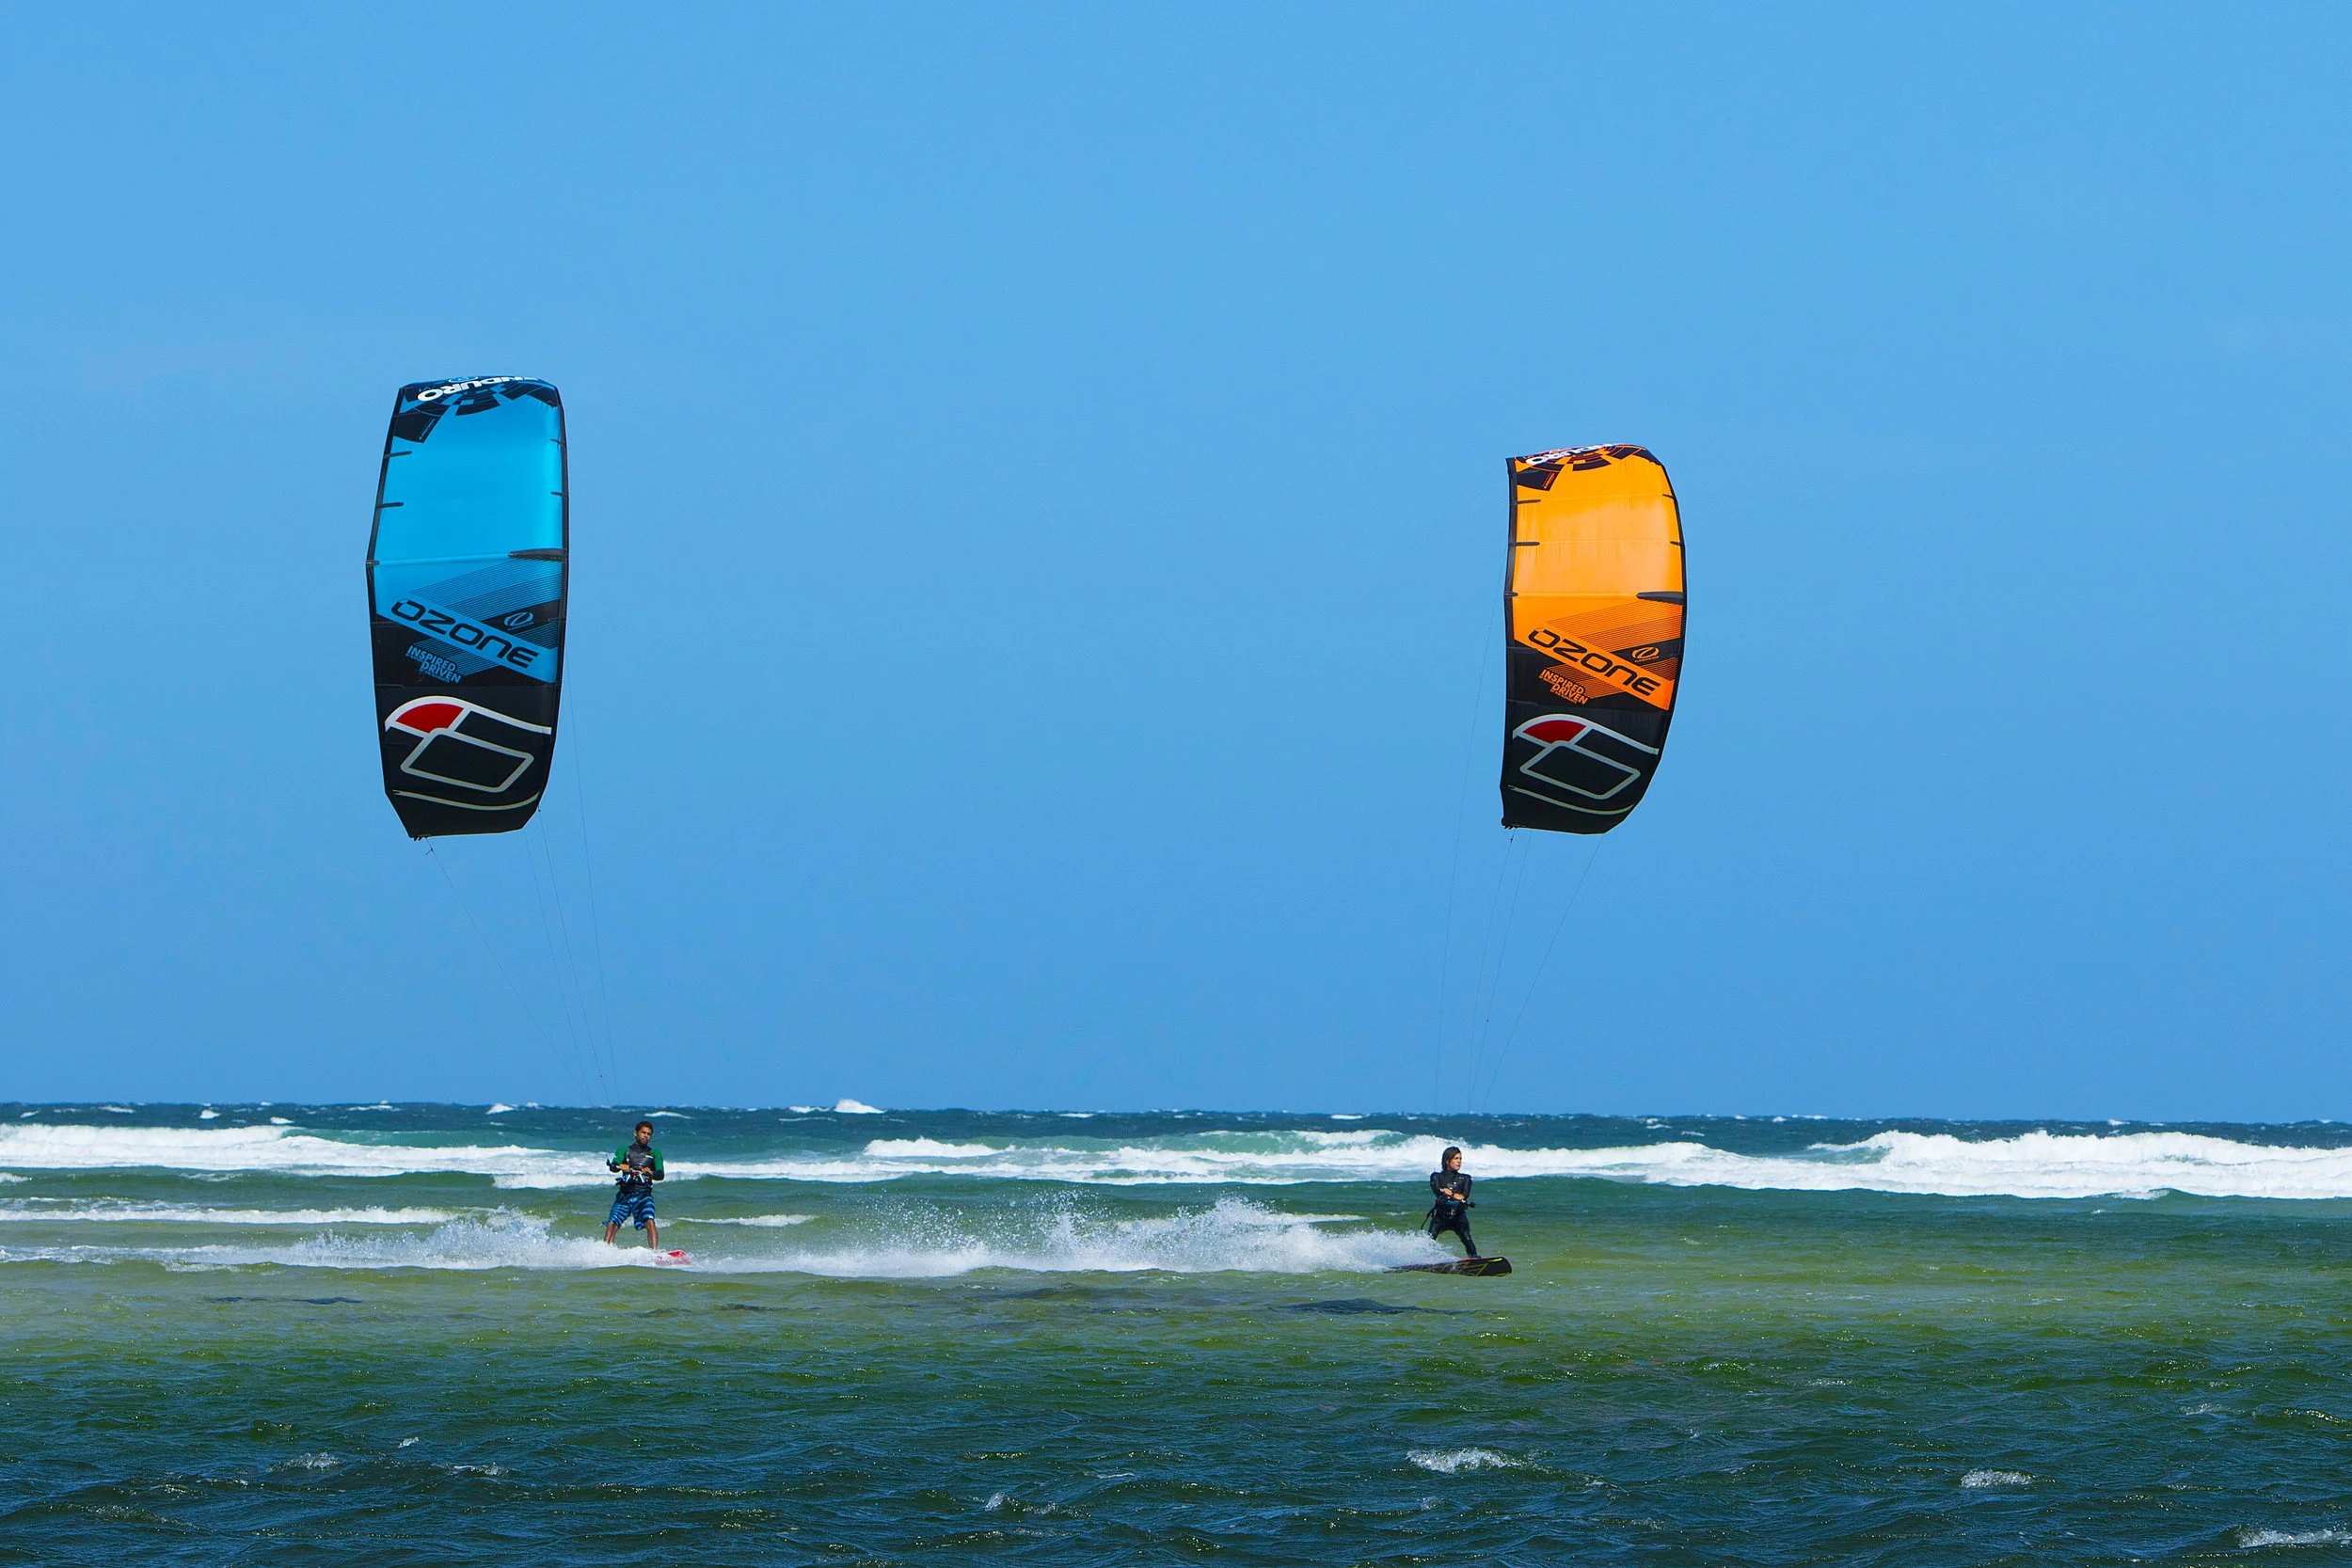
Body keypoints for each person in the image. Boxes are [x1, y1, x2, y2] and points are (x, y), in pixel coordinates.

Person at [603, 1120, 666, 1249]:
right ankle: (605, 1251)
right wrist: (621, 1166)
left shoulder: (655, 1154)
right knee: (612, 1224)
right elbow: (613, 1167)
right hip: (625, 1194)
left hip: (643, 1194)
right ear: (635, 1133)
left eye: (649, 1134)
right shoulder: (624, 1151)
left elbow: (660, 1175)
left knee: (649, 1221)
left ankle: (654, 1252)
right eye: (643, 1132)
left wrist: (651, 1173)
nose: (645, 1136)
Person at [1426, 1146, 1478, 1258]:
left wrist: (1453, 1194)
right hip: (1441, 1216)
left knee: (1467, 1238)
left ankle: (1474, 1259)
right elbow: (1436, 1189)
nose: (1459, 1161)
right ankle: (1423, 1259)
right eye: (1456, 1158)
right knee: (1430, 1238)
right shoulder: (1436, 1176)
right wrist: (1442, 1191)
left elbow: (1464, 1195)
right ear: (1447, 1160)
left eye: (1460, 1159)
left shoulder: (1466, 1178)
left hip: (1458, 1216)